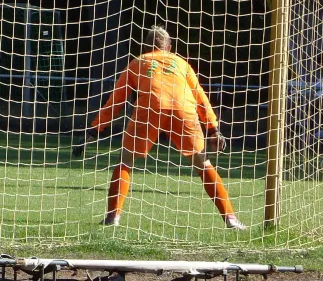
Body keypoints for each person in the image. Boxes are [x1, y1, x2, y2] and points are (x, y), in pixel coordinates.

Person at [74, 25, 246, 230]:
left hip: (150, 109)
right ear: (170, 47)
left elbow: (116, 99)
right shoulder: (182, 64)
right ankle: (231, 219)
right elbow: (200, 96)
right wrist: (212, 128)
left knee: (125, 161)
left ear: (146, 47)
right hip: (184, 110)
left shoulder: (137, 62)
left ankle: (113, 217)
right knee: (204, 164)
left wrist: (96, 129)